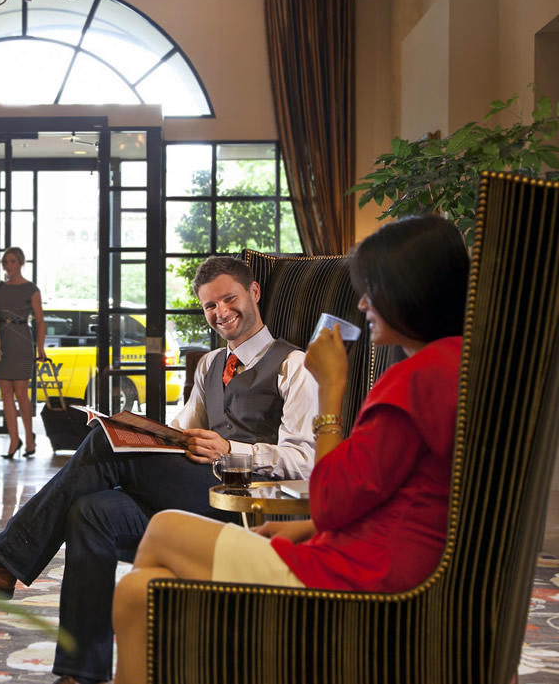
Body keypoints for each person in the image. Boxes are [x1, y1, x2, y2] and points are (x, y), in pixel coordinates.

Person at [0, 255, 319, 684]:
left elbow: (305, 461)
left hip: (244, 503)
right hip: (192, 496)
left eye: (229, 299)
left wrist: (231, 449)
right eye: (209, 306)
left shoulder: (296, 366)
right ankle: (81, 672)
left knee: (101, 448)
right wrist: (135, 431)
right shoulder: (208, 366)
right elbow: (180, 433)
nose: (220, 313)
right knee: (91, 511)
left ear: (254, 293)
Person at [111, 215, 469, 684]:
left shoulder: (410, 381)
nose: (363, 304)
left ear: (412, 292)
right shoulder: (453, 366)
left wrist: (331, 388)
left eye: (374, 289)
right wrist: (300, 527)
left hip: (364, 578)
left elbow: (329, 493)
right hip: (378, 557)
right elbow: (381, 493)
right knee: (138, 592)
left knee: (162, 529)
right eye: (209, 306)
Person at [0, 247, 48, 459]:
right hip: (1, 342)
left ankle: (29, 439)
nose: (8, 266)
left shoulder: (31, 289)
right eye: (5, 262)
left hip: (21, 341)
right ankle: (14, 440)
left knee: (21, 394)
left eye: (12, 261)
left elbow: (40, 321)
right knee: (5, 394)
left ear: (20, 263)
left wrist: (40, 347)